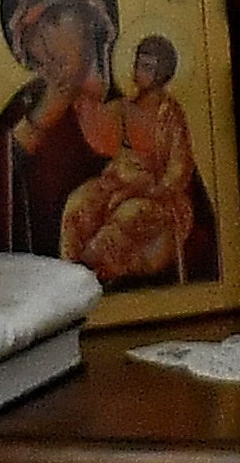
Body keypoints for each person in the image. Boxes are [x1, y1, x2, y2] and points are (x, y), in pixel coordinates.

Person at [0, 0, 126, 257]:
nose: (46, 44)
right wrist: (36, 124)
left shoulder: (142, 109)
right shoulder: (24, 112)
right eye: (32, 33)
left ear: (92, 15)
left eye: (55, 19)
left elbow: (196, 242)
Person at [60, 40, 210, 286]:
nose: (139, 71)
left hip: (158, 196)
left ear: (162, 72)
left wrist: (147, 190)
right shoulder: (125, 107)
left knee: (130, 213)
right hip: (116, 183)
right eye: (138, 64)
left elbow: (179, 168)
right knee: (79, 202)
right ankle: (67, 271)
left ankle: (86, 273)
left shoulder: (170, 116)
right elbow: (100, 137)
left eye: (148, 66)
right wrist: (83, 104)